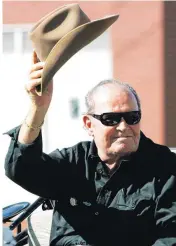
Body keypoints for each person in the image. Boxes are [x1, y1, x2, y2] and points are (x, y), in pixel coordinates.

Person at [4, 51, 176, 246]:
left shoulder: (166, 169)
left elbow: (170, 238)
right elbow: (21, 169)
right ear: (88, 124)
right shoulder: (73, 162)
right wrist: (38, 108)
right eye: (110, 119)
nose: (123, 127)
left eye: (132, 117)